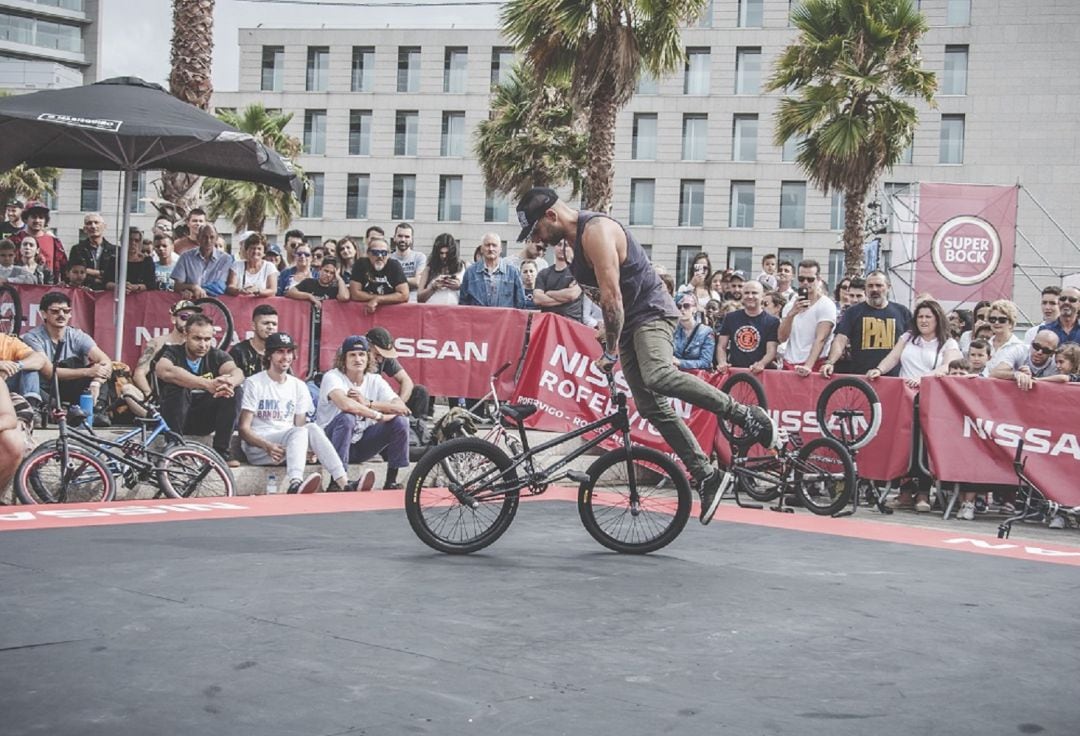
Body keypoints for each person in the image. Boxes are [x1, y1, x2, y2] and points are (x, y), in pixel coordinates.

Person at [515, 186, 779, 526]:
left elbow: (612, 299)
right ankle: (706, 475)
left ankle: (745, 415)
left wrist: (610, 349)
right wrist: (610, 333)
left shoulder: (596, 231)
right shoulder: (575, 244)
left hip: (651, 314)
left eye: (536, 229)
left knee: (657, 375)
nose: (537, 239)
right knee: (651, 406)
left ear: (551, 215)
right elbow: (604, 297)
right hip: (629, 323)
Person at [867, 299, 961, 513]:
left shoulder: (948, 343)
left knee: (925, 446)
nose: (924, 320)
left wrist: (924, 378)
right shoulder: (908, 338)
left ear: (937, 319)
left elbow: (949, 366)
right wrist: (879, 370)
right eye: (920, 316)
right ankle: (904, 491)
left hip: (932, 400)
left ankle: (924, 492)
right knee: (904, 444)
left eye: (928, 316)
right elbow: (893, 357)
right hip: (904, 399)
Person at [238, 332, 355, 494]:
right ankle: (295, 483)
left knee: (312, 428)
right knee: (300, 432)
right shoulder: (254, 383)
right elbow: (244, 429)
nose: (285, 357)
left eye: (289, 352)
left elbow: (300, 426)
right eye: (279, 352)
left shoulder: (298, 385)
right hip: (260, 447)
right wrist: (268, 446)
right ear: (269, 355)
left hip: (286, 445)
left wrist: (306, 450)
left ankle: (343, 481)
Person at [316, 335, 410, 490]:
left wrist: (369, 403)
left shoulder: (375, 380)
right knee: (347, 418)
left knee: (400, 422)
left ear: (368, 358)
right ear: (343, 359)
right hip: (330, 444)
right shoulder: (332, 376)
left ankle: (391, 480)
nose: (357, 359)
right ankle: (337, 481)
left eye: (361, 355)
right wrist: (379, 415)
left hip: (361, 444)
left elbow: (400, 407)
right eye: (352, 355)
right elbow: (346, 405)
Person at [154, 313, 243, 466]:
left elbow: (237, 372)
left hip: (203, 419)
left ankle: (221, 452)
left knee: (234, 391)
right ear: (185, 335)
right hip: (173, 418)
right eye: (197, 339)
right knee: (179, 385)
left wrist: (229, 382)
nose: (203, 345)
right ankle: (175, 448)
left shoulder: (216, 355)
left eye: (207, 339)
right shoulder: (173, 351)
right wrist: (206, 384)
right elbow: (164, 370)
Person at [22, 291, 112, 424]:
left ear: (70, 314)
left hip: (71, 386)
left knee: (106, 370)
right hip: (48, 389)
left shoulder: (77, 335)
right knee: (29, 372)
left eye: (66, 311)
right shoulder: (33, 337)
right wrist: (88, 371)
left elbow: (105, 361)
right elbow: (49, 372)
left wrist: (96, 382)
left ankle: (96, 410)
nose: (61, 315)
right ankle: (49, 411)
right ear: (43, 314)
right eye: (55, 311)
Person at [821, 270, 911, 378]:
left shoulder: (902, 312)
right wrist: (830, 362)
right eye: (870, 286)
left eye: (879, 285)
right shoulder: (853, 312)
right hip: (861, 379)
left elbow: (912, 343)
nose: (874, 289)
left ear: (888, 287)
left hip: (893, 379)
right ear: (866, 288)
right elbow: (840, 340)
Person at [123, 300, 200, 410]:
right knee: (127, 389)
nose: (189, 322)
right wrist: (150, 395)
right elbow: (139, 373)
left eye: (194, 319)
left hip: (188, 398)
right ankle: (155, 416)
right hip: (160, 398)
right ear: (173, 319)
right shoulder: (157, 343)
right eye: (184, 317)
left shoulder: (199, 345)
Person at [778, 259, 836, 375]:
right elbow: (782, 338)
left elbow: (821, 339)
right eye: (801, 279)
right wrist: (791, 314)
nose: (805, 282)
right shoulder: (791, 304)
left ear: (818, 279)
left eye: (810, 279)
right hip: (789, 363)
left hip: (814, 364)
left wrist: (808, 366)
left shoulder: (826, 305)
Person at [366, 326, 430, 419]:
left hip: (383, 403)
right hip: (367, 404)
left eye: (383, 356)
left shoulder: (383, 358)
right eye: (377, 355)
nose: (380, 360)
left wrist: (399, 403)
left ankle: (418, 427)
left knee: (420, 392)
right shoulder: (356, 357)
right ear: (367, 346)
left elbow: (406, 380)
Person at [716, 280, 779, 373]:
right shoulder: (730, 317)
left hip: (761, 374)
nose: (750, 296)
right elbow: (721, 346)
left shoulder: (772, 321)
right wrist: (722, 362)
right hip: (735, 372)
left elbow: (771, 351)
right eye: (746, 293)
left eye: (754, 293)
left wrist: (761, 364)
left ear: (762, 296)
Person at [459, 232, 526, 308]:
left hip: (504, 319)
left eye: (494, 245)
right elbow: (463, 302)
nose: (491, 249)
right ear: (481, 249)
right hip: (478, 319)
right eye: (487, 245)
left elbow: (520, 302)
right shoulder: (470, 272)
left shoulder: (512, 272)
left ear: (500, 249)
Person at [171, 223, 234, 298]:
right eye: (204, 237)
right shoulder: (185, 257)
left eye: (212, 237)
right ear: (198, 238)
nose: (208, 241)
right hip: (191, 305)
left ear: (216, 239)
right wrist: (193, 287)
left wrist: (194, 291)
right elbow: (177, 286)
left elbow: (221, 287)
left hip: (217, 305)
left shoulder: (226, 259)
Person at [11, 201, 65, 282]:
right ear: (26, 218)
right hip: (18, 289)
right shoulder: (14, 240)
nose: (37, 220)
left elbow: (65, 269)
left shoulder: (54, 242)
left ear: (45, 221)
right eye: (33, 217)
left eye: (41, 217)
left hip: (47, 289)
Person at [989, 329, 1060, 389]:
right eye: (1036, 346)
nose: (1039, 352)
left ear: (1052, 353)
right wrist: (1016, 374)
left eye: (1046, 350)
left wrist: (1032, 379)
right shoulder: (1019, 350)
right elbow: (994, 373)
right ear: (1032, 343)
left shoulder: (1057, 362)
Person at [533, 239, 584, 323]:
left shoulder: (578, 272)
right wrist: (564, 298)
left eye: (566, 245)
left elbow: (572, 295)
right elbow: (538, 299)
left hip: (571, 324)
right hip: (548, 324)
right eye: (559, 245)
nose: (562, 248)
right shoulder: (543, 273)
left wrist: (548, 293)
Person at [0, 331, 47, 419]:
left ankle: (31, 409)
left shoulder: (6, 341)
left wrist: (17, 366)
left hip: (7, 386)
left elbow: (39, 360)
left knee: (30, 368)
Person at [68, 212, 117, 290]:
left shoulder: (115, 250)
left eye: (96, 223)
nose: (93, 226)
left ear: (104, 226)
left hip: (107, 294)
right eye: (89, 223)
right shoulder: (77, 249)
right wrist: (98, 276)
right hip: (83, 292)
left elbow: (114, 274)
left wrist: (89, 271)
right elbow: (75, 272)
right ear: (84, 229)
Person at [229, 304, 279, 379]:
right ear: (253, 326)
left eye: (274, 324)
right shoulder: (238, 352)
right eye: (266, 323)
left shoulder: (279, 352)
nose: (270, 327)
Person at [417, 233, 464, 305]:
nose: (444, 256)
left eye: (447, 253)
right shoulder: (429, 269)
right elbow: (419, 298)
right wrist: (433, 287)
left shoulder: (464, 266)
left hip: (455, 312)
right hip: (433, 311)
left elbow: (472, 293)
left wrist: (460, 287)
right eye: (441, 253)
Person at [672, 294, 715, 371]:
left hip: (697, 376)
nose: (682, 309)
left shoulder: (706, 332)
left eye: (686, 306)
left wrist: (680, 363)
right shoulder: (672, 330)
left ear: (694, 309)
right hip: (675, 374)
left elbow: (706, 362)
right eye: (678, 306)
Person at [108, 227, 156, 293]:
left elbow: (151, 285)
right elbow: (106, 282)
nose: (133, 243)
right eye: (129, 240)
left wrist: (135, 287)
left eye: (137, 240)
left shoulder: (147, 261)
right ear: (122, 241)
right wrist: (119, 287)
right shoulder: (114, 260)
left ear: (140, 243)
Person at [389, 222, 427, 301]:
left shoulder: (419, 257)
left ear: (411, 239)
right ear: (394, 238)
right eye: (400, 236)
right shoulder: (388, 258)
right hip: (392, 301)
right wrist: (410, 280)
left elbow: (418, 282)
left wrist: (395, 280)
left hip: (413, 302)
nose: (403, 239)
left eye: (407, 237)